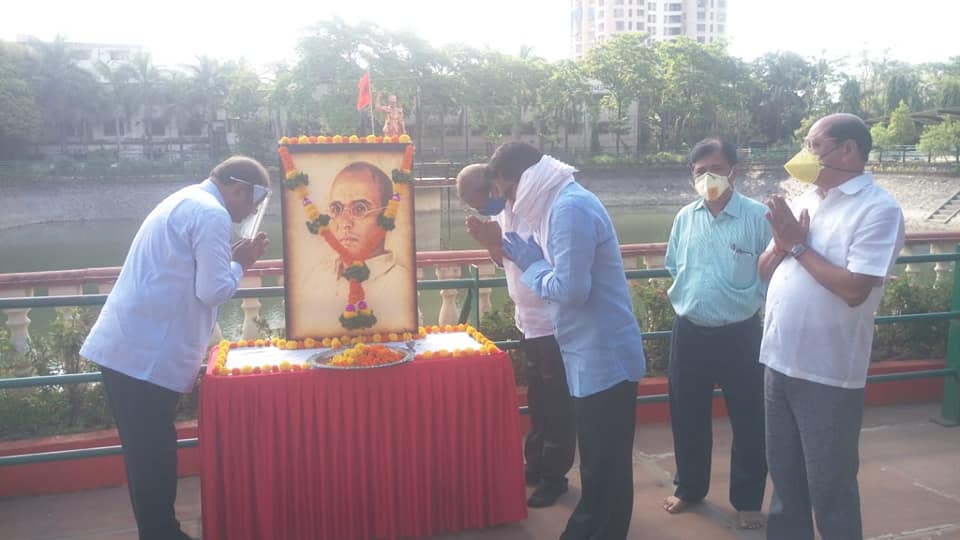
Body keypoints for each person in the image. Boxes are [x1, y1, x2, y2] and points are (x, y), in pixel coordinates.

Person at [80, 156, 272, 540]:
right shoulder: (212, 213)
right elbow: (213, 290)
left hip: (130, 350)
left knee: (145, 453)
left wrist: (229, 263)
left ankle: (158, 531)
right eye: (253, 203)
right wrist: (242, 264)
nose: (251, 212)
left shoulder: (185, 200)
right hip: (143, 356)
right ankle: (162, 533)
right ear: (238, 190)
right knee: (154, 456)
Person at [758, 113, 905, 540]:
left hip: (827, 373)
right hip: (778, 362)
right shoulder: (806, 198)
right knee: (785, 481)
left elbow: (856, 288)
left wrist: (797, 245)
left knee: (830, 486)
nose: (805, 154)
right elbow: (764, 271)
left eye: (814, 145)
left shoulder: (878, 209)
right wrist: (783, 245)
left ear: (848, 150)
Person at [492, 142, 646, 540]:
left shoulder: (568, 209)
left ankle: (598, 531)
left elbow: (571, 289)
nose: (509, 200)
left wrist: (534, 264)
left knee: (605, 462)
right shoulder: (556, 205)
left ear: (524, 177)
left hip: (604, 355)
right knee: (599, 460)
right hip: (587, 352)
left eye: (508, 190)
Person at [662, 138, 770, 529]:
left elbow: (772, 271)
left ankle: (748, 499)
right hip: (689, 331)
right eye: (699, 171)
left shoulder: (758, 218)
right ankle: (689, 487)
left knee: (750, 418)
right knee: (687, 414)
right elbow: (675, 265)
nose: (708, 177)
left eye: (716, 168)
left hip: (740, 333)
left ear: (733, 171)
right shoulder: (685, 217)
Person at [456, 163, 576, 508]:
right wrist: (491, 244)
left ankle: (556, 477)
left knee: (557, 405)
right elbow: (506, 260)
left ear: (492, 188)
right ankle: (536, 465)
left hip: (552, 322)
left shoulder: (531, 209)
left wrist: (499, 243)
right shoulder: (506, 212)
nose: (478, 210)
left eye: (478, 201)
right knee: (538, 401)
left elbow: (541, 261)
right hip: (529, 321)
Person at [305, 162, 411, 322]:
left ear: (387, 216)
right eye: (336, 209)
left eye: (360, 209)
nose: (345, 223)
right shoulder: (317, 277)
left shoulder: (400, 284)